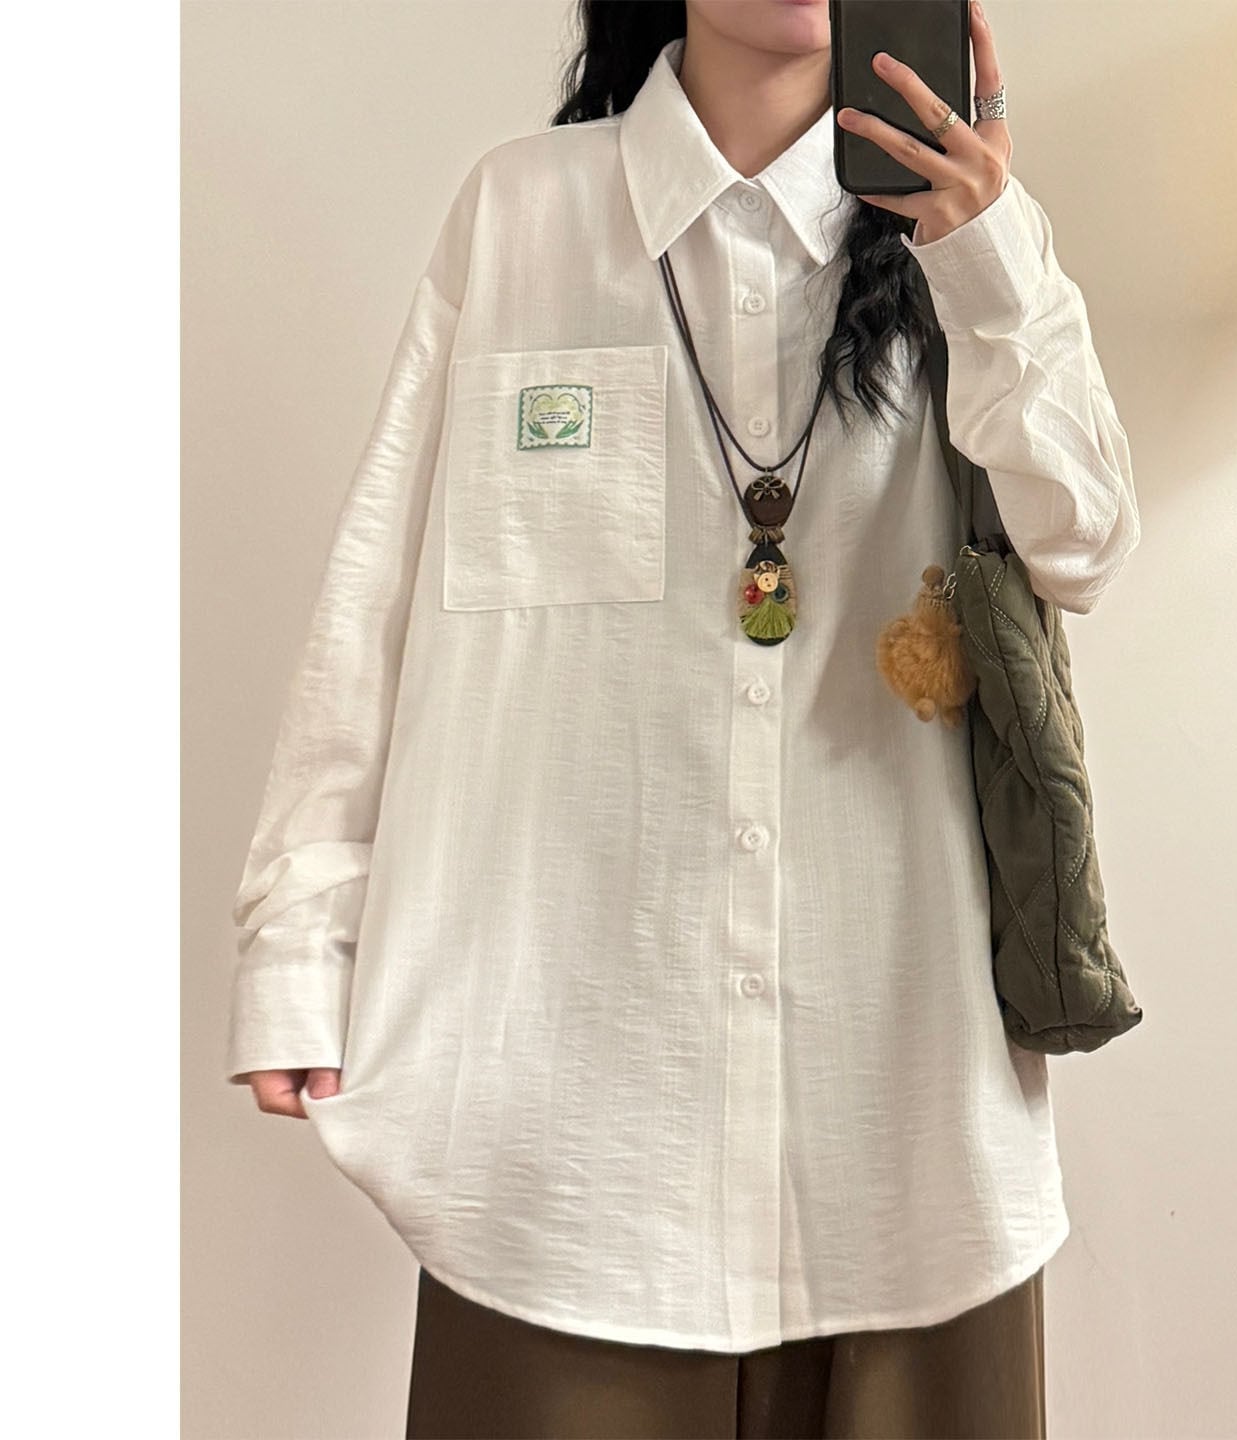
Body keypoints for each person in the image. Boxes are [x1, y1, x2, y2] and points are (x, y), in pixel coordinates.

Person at [225, 1, 1140, 1435]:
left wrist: (987, 255)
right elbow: (377, 601)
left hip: (907, 1136)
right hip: (566, 1159)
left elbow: (1084, 543)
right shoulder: (521, 218)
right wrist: (301, 938)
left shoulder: (968, 239)